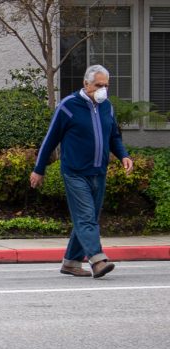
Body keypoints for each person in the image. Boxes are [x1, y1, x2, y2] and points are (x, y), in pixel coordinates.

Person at [30, 65, 133, 279]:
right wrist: (39, 170)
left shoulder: (107, 107)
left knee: (88, 218)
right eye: (98, 85)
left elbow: (114, 136)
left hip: (98, 172)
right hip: (74, 172)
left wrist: (123, 155)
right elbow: (51, 139)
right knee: (86, 218)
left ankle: (70, 263)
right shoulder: (68, 106)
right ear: (86, 84)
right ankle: (97, 260)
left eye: (106, 86)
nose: (102, 89)